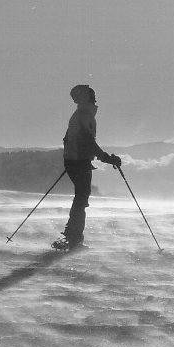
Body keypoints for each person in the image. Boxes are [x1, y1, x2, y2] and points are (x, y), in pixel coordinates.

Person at [53, 84, 121, 250]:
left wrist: (72, 157)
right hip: (78, 161)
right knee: (81, 199)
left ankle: (72, 236)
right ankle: (74, 239)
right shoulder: (84, 114)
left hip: (76, 160)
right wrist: (105, 158)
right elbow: (87, 141)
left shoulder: (80, 114)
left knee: (81, 198)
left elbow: (69, 138)